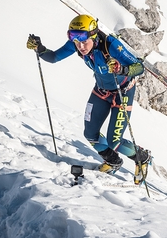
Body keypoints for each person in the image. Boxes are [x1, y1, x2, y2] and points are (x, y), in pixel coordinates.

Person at [27, 14, 151, 185]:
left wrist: (121, 68)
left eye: (84, 41)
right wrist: (39, 48)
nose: (81, 46)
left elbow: (140, 67)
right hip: (100, 91)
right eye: (77, 42)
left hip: (122, 93)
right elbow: (54, 57)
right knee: (90, 134)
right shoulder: (77, 44)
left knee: (114, 141)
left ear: (93, 35)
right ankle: (113, 161)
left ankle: (142, 158)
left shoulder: (111, 46)